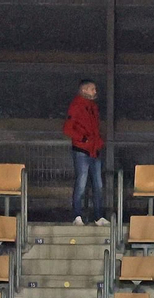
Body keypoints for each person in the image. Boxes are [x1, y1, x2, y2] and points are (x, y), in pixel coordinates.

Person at [64, 79, 106, 226]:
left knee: (98, 184)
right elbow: (68, 128)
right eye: (92, 89)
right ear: (84, 90)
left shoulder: (93, 107)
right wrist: (83, 139)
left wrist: (97, 142)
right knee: (82, 183)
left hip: (94, 149)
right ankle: (77, 215)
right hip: (83, 149)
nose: (95, 91)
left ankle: (98, 216)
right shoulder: (76, 106)